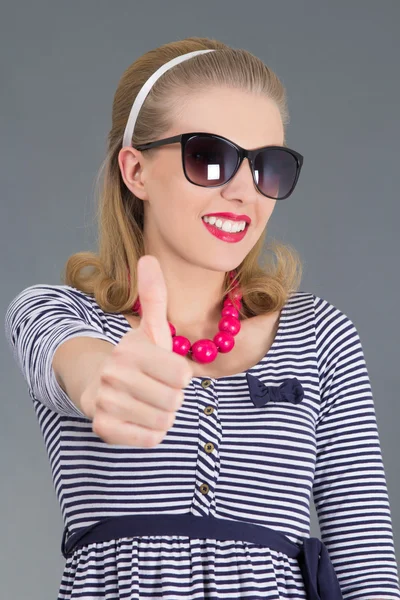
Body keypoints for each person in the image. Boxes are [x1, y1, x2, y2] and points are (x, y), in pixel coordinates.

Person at [4, 36, 400, 600]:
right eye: (209, 157)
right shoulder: (56, 312)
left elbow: (369, 573)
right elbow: (70, 359)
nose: (243, 191)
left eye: (269, 166)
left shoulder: (320, 336)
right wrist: (102, 380)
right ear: (136, 171)